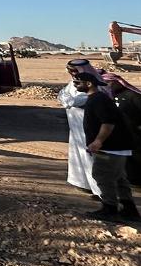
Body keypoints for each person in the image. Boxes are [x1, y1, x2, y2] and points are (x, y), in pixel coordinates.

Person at [73, 72, 138, 221]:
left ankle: (110, 208)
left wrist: (98, 141)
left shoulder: (98, 100)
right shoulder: (98, 98)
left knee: (102, 175)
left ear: (89, 84)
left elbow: (108, 122)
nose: (75, 85)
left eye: (77, 83)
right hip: (116, 147)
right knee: (119, 178)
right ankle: (129, 209)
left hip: (110, 147)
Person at [60, 64, 101, 199]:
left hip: (87, 128)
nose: (72, 73)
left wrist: (68, 99)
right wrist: (67, 99)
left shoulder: (93, 84)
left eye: (74, 70)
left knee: (90, 158)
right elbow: (62, 95)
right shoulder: (73, 83)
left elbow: (74, 100)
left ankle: (100, 192)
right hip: (75, 127)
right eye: (70, 71)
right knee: (78, 156)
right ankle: (84, 184)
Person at [103, 71, 141, 187]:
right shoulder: (109, 97)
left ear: (117, 82)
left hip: (136, 133)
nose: (106, 86)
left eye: (108, 83)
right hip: (120, 134)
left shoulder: (133, 96)